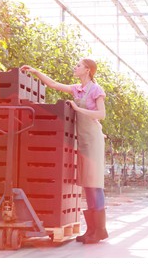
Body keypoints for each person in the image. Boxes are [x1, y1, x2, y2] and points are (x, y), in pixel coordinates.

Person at [20, 59, 108, 244]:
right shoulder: (77, 89)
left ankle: (99, 231)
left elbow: (101, 115)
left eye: (78, 65)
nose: (74, 68)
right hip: (83, 139)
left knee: (94, 184)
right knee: (86, 183)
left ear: (87, 70)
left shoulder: (96, 90)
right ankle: (91, 230)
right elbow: (53, 84)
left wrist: (77, 109)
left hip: (93, 138)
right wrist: (36, 71)